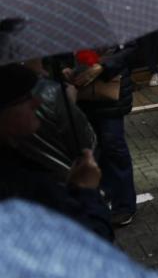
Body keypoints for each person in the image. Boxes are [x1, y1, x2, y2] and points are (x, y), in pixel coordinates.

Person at [0, 63, 112, 240]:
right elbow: (92, 238)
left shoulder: (17, 159)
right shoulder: (16, 184)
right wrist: (87, 191)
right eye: (25, 98)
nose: (36, 102)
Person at [65, 46, 138, 227]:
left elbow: (132, 49)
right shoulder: (67, 23)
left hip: (109, 88)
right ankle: (98, 197)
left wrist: (102, 67)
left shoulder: (117, 20)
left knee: (113, 144)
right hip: (79, 91)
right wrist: (63, 68)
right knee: (88, 149)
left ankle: (124, 205)